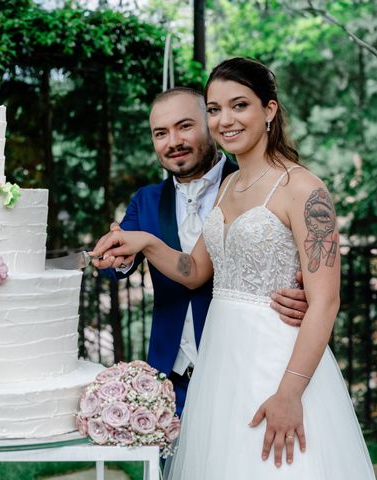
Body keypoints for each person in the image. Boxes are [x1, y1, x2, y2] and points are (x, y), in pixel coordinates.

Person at [91, 58, 375, 478]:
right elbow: (195, 271)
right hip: (221, 365)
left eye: (239, 105)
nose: (225, 120)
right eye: (214, 109)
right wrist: (147, 242)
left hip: (276, 364)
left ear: (270, 111)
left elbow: (325, 301)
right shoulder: (228, 186)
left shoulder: (304, 189)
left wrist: (290, 393)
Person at [95, 86, 308, 416]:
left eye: (184, 126)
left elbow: (299, 259)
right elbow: (115, 263)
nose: (173, 142)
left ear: (211, 124)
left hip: (245, 365)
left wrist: (303, 290)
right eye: (160, 133)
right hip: (170, 376)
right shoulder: (146, 199)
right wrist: (115, 258)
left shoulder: (256, 184)